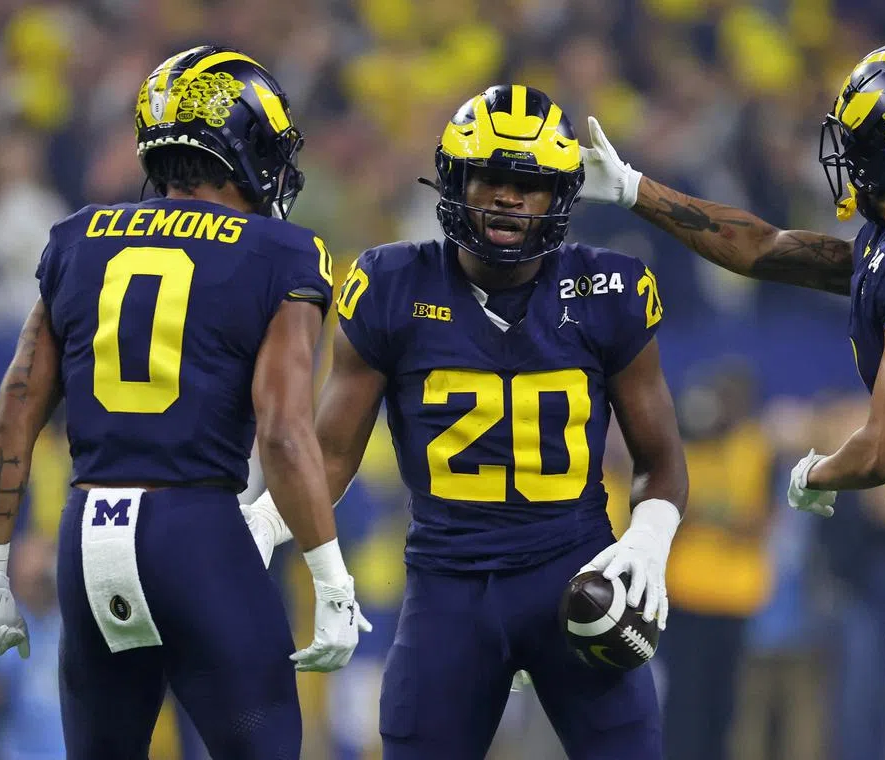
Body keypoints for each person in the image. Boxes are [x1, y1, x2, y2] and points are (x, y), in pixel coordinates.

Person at [577, 39, 885, 760]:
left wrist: (815, 472)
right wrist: (635, 189)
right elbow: (766, 247)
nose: (848, 152)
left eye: (861, 137)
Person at [241, 84, 689, 759]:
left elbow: (661, 460)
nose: (508, 197)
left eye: (529, 184)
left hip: (574, 575)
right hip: (450, 590)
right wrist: (264, 524)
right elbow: (331, 455)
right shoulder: (392, 283)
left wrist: (649, 541)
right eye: (491, 178)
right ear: (455, 179)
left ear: (562, 196)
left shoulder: (609, 290)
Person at [0, 45, 369, 760]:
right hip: (195, 533)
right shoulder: (283, 253)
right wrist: (331, 579)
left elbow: (14, 414)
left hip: (87, 538)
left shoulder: (76, 238)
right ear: (240, 146)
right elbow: (283, 434)